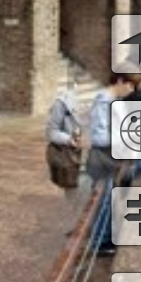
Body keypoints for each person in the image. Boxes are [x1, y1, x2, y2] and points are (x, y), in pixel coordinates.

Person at [86, 69, 136, 255]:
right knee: (104, 200)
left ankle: (105, 237)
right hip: (102, 159)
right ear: (120, 81)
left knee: (108, 198)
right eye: (130, 86)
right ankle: (100, 242)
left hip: (110, 158)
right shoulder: (103, 103)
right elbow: (98, 137)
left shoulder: (114, 102)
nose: (131, 91)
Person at [46, 85, 85, 232]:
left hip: (97, 158)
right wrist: (69, 140)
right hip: (72, 158)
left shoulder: (112, 98)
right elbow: (51, 132)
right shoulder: (62, 103)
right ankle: (76, 230)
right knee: (74, 197)